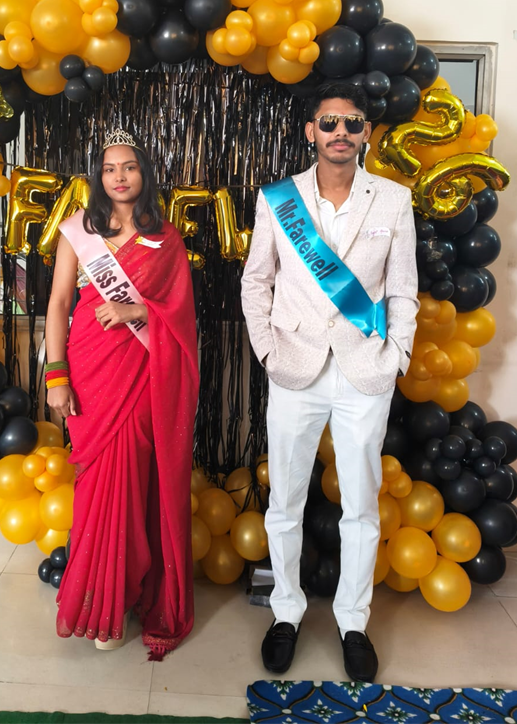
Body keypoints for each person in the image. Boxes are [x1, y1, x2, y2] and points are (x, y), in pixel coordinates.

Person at [241, 83, 418, 683]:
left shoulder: (393, 199)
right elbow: (255, 281)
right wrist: (267, 350)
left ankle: (353, 622)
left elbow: (403, 290)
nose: (340, 132)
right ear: (310, 131)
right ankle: (286, 612)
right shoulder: (278, 199)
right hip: (295, 367)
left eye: (352, 123)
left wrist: (397, 355)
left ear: (366, 132)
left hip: (365, 369)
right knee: (285, 503)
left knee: (361, 506)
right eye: (329, 122)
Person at [44, 128, 199, 659]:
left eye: (129, 167)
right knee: (94, 486)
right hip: (89, 370)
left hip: (142, 375)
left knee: (132, 484)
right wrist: (57, 377)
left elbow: (181, 318)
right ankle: (96, 598)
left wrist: (136, 310)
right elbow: (58, 304)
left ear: (144, 174)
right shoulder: (77, 232)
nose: (119, 176)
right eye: (110, 169)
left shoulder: (167, 239)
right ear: (98, 178)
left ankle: (121, 595)